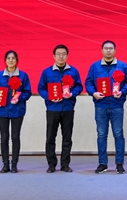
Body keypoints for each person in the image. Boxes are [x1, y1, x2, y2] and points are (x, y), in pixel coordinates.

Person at [85, 40, 127, 174]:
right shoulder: (95, 66)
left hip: (117, 105)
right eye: (106, 48)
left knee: (118, 134)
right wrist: (94, 93)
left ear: (115, 50)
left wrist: (123, 92)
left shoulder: (122, 66)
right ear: (102, 50)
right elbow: (88, 82)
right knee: (101, 134)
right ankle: (102, 163)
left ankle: (119, 163)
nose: (108, 50)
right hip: (100, 105)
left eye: (111, 48)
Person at [38, 44, 83, 173]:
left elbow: (79, 87)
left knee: (67, 138)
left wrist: (72, 94)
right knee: (50, 138)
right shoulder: (47, 72)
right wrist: (49, 97)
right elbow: (41, 88)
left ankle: (65, 164)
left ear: (67, 56)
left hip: (68, 108)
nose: (61, 56)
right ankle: (51, 164)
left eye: (63, 54)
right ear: (54, 56)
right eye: (58, 54)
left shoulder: (73, 71)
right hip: (53, 109)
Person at [0, 50, 32, 173]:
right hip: (2, 111)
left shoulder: (23, 75)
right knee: (4, 138)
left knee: (15, 138)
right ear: (5, 60)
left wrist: (19, 98)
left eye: (13, 58)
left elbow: (27, 92)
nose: (11, 60)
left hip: (17, 111)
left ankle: (14, 164)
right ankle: (5, 164)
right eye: (8, 58)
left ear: (17, 60)